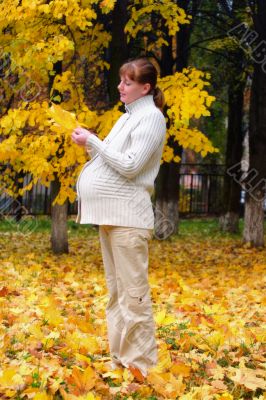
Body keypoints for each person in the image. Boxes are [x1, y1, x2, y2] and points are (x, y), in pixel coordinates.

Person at [71, 57, 166, 381]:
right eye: (121, 81)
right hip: (109, 217)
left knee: (134, 295)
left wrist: (94, 142)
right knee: (116, 294)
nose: (120, 87)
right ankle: (119, 360)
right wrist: (90, 144)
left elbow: (130, 166)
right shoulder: (126, 118)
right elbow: (110, 159)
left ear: (145, 87)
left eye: (127, 82)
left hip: (129, 220)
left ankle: (141, 367)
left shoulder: (152, 118)